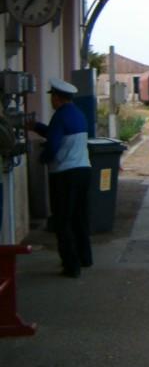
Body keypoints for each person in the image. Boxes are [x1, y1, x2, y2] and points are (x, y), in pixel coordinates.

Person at [29, 77, 92, 278]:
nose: (51, 101)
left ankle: (71, 266)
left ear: (57, 98)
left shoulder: (60, 116)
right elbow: (58, 134)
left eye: (52, 97)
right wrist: (37, 127)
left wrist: (42, 159)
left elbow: (54, 143)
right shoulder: (77, 114)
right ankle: (85, 257)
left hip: (65, 174)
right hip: (83, 170)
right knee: (79, 217)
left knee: (63, 220)